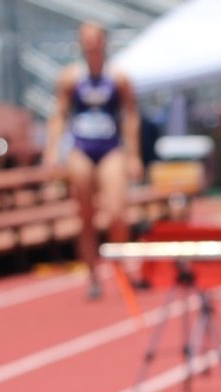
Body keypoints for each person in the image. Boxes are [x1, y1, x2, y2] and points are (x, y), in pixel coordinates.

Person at [45, 23, 141, 301]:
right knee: (85, 216)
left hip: (110, 148)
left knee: (116, 213)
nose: (91, 45)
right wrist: (52, 152)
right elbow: (59, 114)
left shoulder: (118, 78)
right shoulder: (71, 78)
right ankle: (93, 277)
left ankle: (121, 270)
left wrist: (133, 154)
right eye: (86, 41)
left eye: (95, 40)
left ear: (104, 42)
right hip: (81, 148)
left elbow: (131, 116)